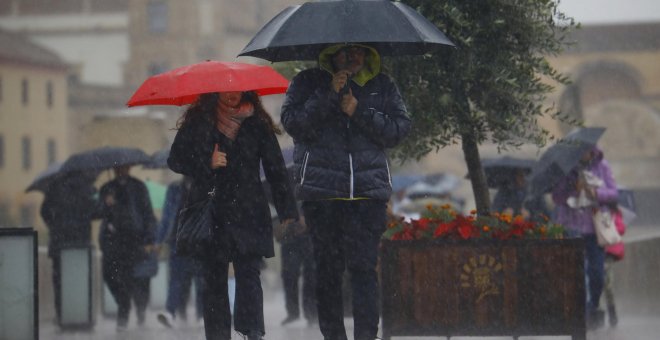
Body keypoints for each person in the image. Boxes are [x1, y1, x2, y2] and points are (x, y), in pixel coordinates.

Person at [281, 43, 411, 340]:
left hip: (367, 196)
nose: (352, 58)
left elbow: (398, 130)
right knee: (327, 272)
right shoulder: (306, 82)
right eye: (344, 52)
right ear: (330, 54)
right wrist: (328, 95)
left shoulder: (383, 84)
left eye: (358, 51)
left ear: (368, 54)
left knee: (364, 270)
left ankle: (366, 335)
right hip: (323, 196)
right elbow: (294, 125)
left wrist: (359, 111)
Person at [167, 90, 298, 340]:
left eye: (236, 90)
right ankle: (217, 335)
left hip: (249, 210)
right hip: (212, 209)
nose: (231, 95)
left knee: (249, 273)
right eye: (225, 91)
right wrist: (207, 161)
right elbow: (176, 160)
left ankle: (253, 332)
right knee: (214, 277)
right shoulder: (199, 122)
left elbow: (275, 168)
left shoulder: (257, 123)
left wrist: (287, 210)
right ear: (215, 93)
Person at [551, 146, 618, 330]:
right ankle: (578, 312)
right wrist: (573, 189)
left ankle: (592, 306)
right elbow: (557, 197)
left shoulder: (602, 166)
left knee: (597, 273)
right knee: (574, 272)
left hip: (595, 227)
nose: (584, 153)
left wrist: (596, 193)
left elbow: (614, 192)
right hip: (571, 226)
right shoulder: (566, 168)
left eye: (587, 150)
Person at [98, 164, 157, 331]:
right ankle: (125, 307)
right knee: (110, 276)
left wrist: (149, 239)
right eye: (118, 168)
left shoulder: (138, 187)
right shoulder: (107, 188)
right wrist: (106, 204)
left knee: (136, 280)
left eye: (124, 168)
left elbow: (147, 214)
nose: (120, 171)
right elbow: (96, 212)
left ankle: (131, 315)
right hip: (112, 242)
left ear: (129, 168)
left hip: (134, 241)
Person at [40, 171, 98, 325]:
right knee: (80, 280)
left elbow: (44, 212)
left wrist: (54, 225)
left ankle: (61, 315)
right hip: (81, 243)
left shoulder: (53, 188)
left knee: (59, 281)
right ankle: (81, 314)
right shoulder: (87, 188)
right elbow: (96, 212)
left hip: (59, 243)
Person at [156, 176, 205, 328]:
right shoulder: (174, 189)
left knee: (200, 280)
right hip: (177, 240)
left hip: (199, 241)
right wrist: (159, 240)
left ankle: (202, 315)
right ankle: (170, 312)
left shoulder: (205, 185)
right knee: (176, 279)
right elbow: (166, 216)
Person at [603, 204, 626, 328]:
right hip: (595, 249)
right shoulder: (593, 209)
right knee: (597, 283)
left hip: (609, 252)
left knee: (608, 285)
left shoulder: (615, 212)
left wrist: (609, 225)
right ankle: (595, 311)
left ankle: (612, 313)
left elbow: (621, 229)